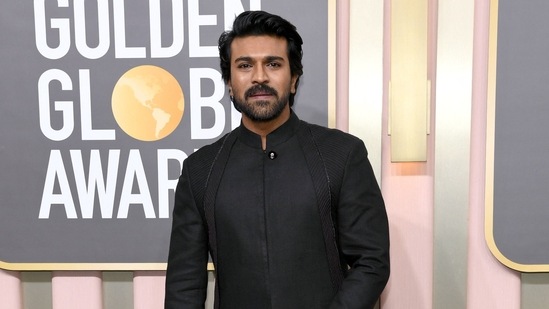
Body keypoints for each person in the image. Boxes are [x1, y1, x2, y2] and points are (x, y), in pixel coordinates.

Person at [165, 10, 389, 309]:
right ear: (229, 83)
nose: (259, 76)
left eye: (273, 64)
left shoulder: (342, 154)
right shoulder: (200, 170)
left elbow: (371, 261)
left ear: (294, 78)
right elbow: (184, 283)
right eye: (245, 65)